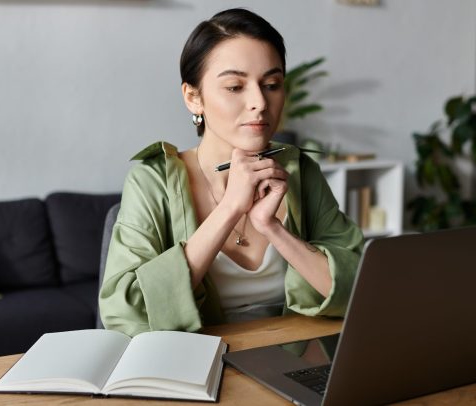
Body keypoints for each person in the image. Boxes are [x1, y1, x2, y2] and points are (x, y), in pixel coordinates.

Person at [99, 8, 364, 337]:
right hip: (194, 369)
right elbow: (126, 315)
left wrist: (273, 228)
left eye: (271, 84)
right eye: (235, 87)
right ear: (193, 98)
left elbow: (360, 291)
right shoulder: (152, 180)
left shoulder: (298, 171)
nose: (260, 102)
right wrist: (229, 209)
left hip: (293, 364)